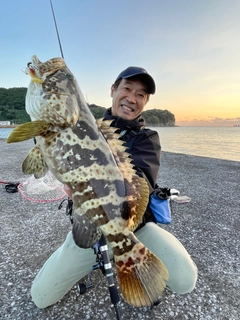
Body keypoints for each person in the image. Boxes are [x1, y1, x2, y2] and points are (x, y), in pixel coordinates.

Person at [31, 67, 198, 308]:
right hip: (90, 224)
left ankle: (124, 256)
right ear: (113, 90)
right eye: (127, 88)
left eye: (141, 95)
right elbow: (46, 152)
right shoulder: (84, 123)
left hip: (133, 226)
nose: (132, 98)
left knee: (185, 280)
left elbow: (141, 180)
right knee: (41, 297)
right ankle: (102, 255)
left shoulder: (147, 138)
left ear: (145, 102)